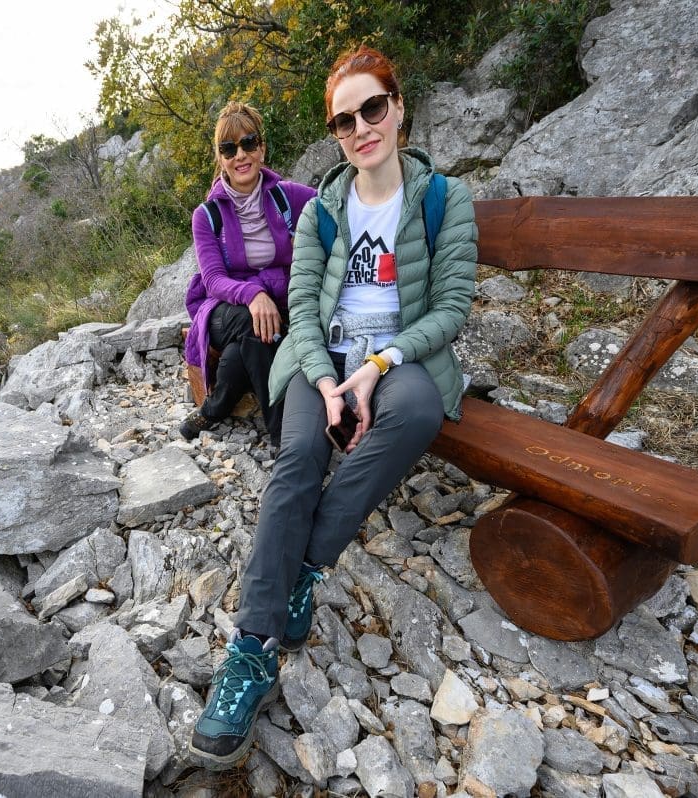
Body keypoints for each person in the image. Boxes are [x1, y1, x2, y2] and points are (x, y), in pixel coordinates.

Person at [188, 45, 478, 769]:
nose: (360, 128)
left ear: (398, 107)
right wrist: (323, 381)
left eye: (371, 108)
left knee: (417, 412)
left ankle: (303, 568)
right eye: (344, 120)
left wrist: (378, 366)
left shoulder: (443, 199)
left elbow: (451, 307)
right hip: (319, 361)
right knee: (297, 460)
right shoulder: (320, 209)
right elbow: (302, 306)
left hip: (399, 360)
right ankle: (251, 648)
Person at [181, 102, 317, 445]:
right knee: (251, 322)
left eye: (248, 143)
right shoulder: (206, 215)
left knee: (245, 348)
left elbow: (338, 203)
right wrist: (254, 295)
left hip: (274, 305)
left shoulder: (288, 197)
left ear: (262, 148)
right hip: (223, 309)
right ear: (220, 158)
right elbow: (213, 280)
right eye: (229, 148)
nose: (240, 155)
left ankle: (213, 409)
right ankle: (284, 436)